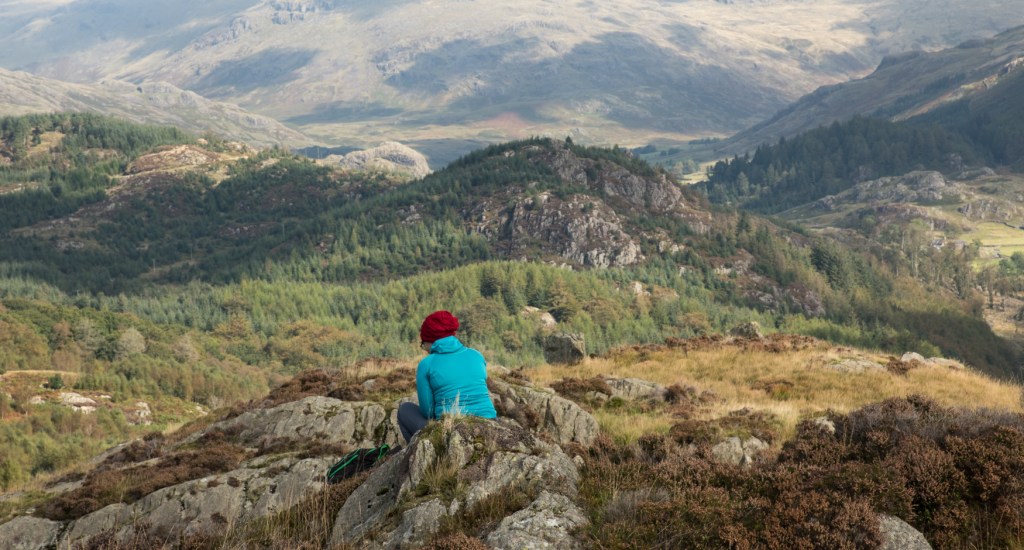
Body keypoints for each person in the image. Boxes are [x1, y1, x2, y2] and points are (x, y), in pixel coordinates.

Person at [397, 310, 497, 443]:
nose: (425, 349)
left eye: (423, 344)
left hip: (451, 430)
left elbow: (428, 412)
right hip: (489, 422)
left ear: (430, 341)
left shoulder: (427, 364)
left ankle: (419, 451)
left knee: (405, 409)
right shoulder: (476, 355)